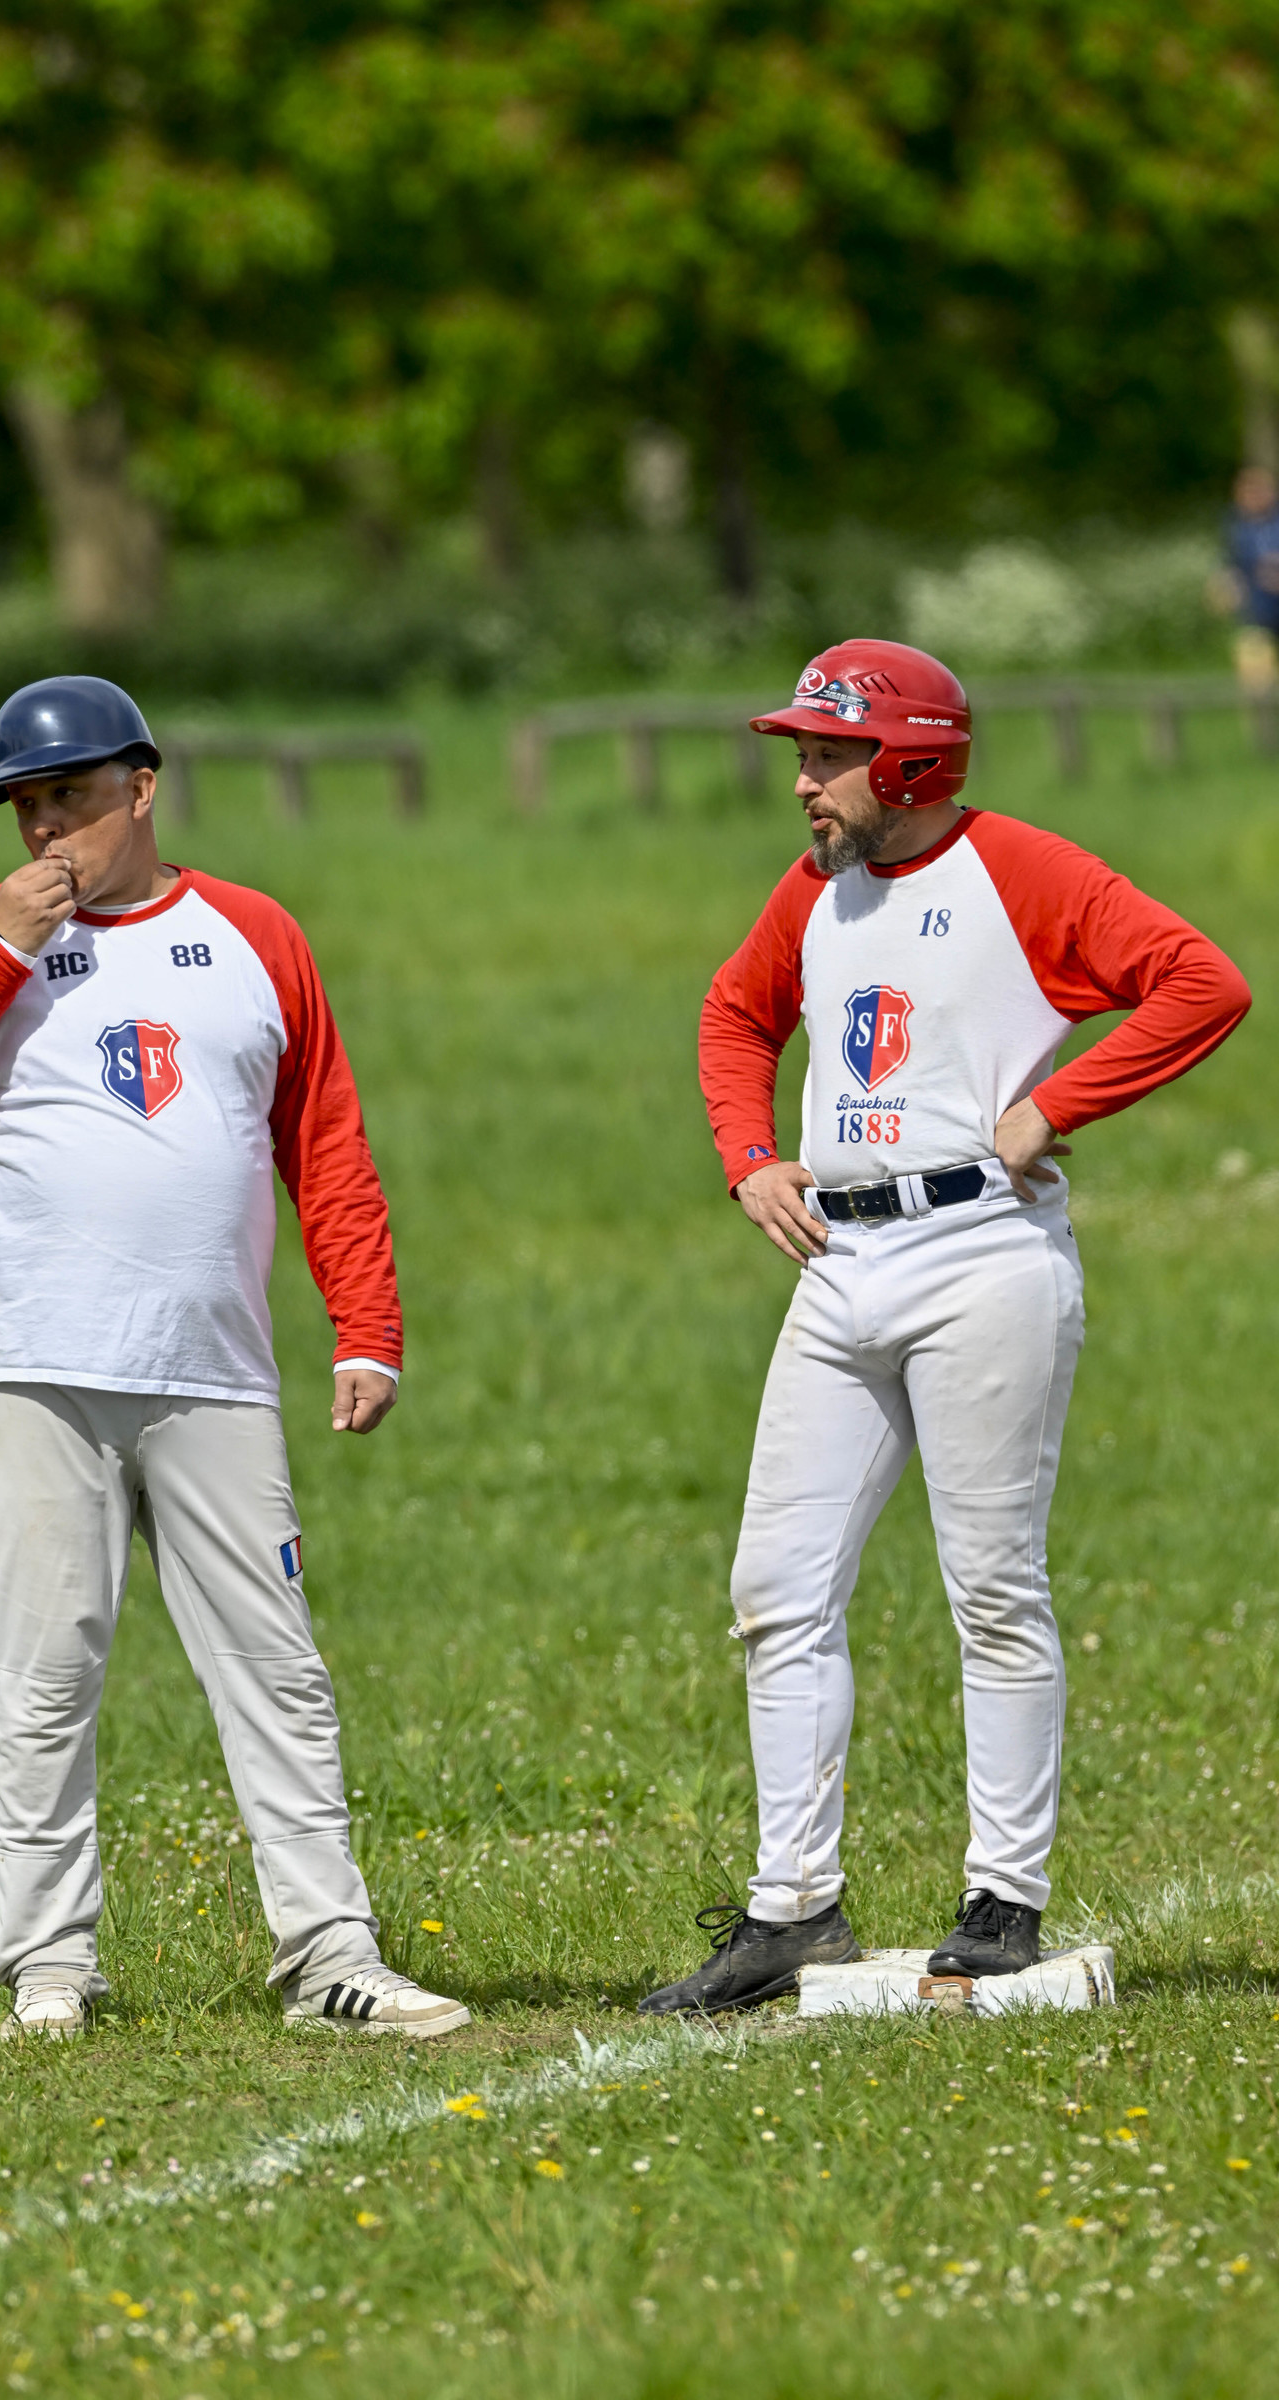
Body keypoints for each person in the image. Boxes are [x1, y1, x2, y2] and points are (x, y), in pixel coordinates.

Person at [640, 639, 1250, 2017]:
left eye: (827, 754)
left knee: (991, 1587)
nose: (803, 781)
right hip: (840, 1264)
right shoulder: (814, 890)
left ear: (910, 758)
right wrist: (749, 1154)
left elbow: (1201, 982)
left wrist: (1057, 1106)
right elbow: (737, 1013)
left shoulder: (1021, 870)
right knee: (777, 1588)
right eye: (801, 753)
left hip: (983, 1257)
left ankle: (1002, 1904)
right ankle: (792, 1909)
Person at [0, 674, 468, 2043]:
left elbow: (325, 1140)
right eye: (23, 806)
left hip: (213, 1369)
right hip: (31, 1361)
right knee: (43, 1672)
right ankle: (52, 1968)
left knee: (275, 1665)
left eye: (70, 796)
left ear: (142, 786)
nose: (44, 832)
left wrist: (367, 1324)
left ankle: (330, 1957)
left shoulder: (254, 934)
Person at [1217, 464, 1279, 695]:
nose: (1253, 497)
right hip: (1256, 613)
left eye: (1259, 490)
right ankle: (1263, 727)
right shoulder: (1235, 525)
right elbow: (1228, 563)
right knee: (1257, 680)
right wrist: (1225, 584)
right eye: (1247, 491)